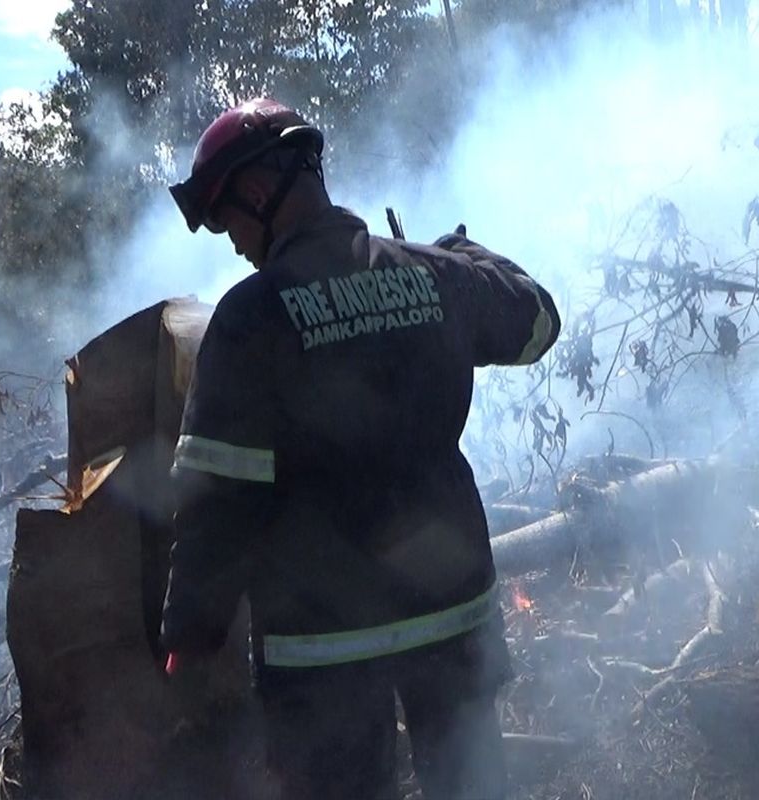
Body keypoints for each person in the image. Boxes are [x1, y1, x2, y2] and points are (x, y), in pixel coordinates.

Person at [161, 97, 561, 800]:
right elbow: (536, 322)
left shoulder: (252, 316)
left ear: (259, 193)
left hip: (324, 646)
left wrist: (190, 630)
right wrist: (464, 254)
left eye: (228, 220)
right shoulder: (437, 275)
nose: (232, 242)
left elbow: (218, 496)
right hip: (452, 615)